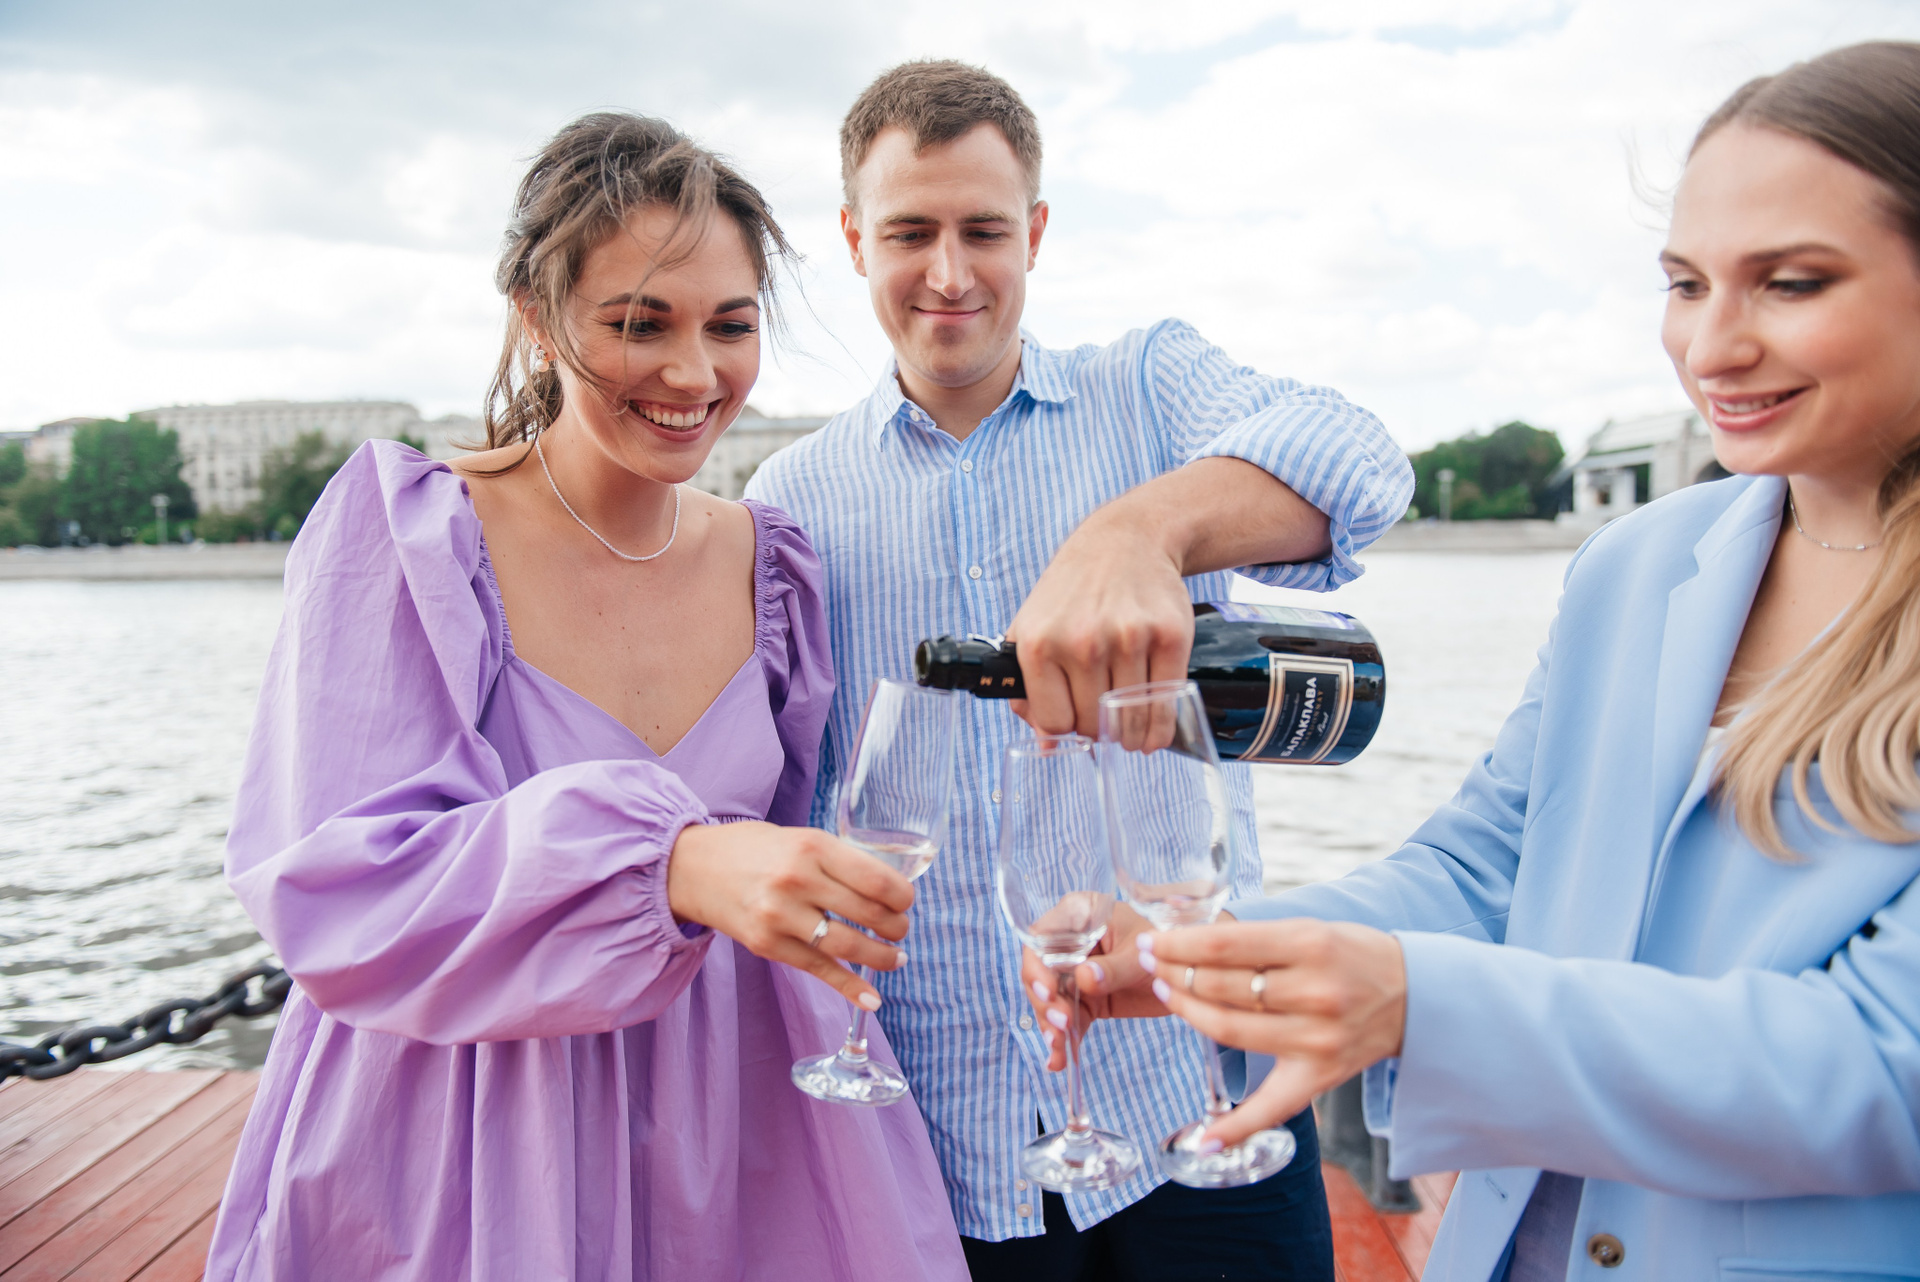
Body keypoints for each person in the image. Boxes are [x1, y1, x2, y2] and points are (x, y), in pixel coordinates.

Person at [1026, 41, 1920, 1282]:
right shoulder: (1635, 565)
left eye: (1791, 283)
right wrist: (1214, 951)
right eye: (1685, 283)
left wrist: (1415, 1003)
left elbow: (1884, 1062)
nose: (1711, 346)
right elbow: (1486, 871)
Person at [205, 113, 967, 1282]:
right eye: (638, 323)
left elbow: (795, 844)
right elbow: (337, 883)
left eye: (730, 326)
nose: (693, 374)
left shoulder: (775, 566)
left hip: (742, 1136)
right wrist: (669, 863)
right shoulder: (410, 534)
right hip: (468, 1139)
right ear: (537, 315)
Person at [746, 60, 1411, 1280]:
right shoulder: (791, 496)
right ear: (853, 240)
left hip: (1195, 1106)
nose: (951, 273)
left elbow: (1364, 464)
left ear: (1037, 232)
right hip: (947, 1150)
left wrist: (1139, 531)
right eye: (910, 233)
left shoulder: (1148, 391)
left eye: (985, 230)